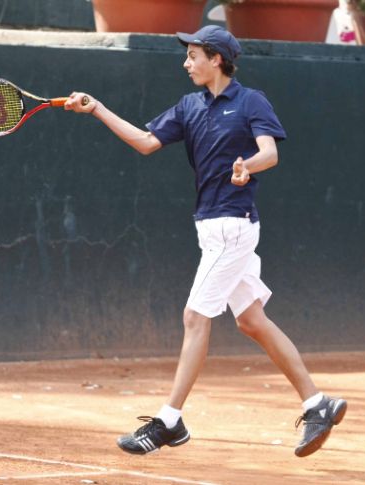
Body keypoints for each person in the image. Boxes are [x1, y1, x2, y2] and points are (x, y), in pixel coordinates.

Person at [64, 25, 346, 458]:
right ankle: (317, 403)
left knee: (195, 317)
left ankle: (169, 421)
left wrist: (246, 167)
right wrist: (98, 108)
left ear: (216, 58)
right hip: (211, 227)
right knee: (252, 321)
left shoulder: (251, 101)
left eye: (193, 55)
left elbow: (270, 153)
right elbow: (145, 141)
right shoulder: (188, 106)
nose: (186, 62)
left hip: (234, 227)